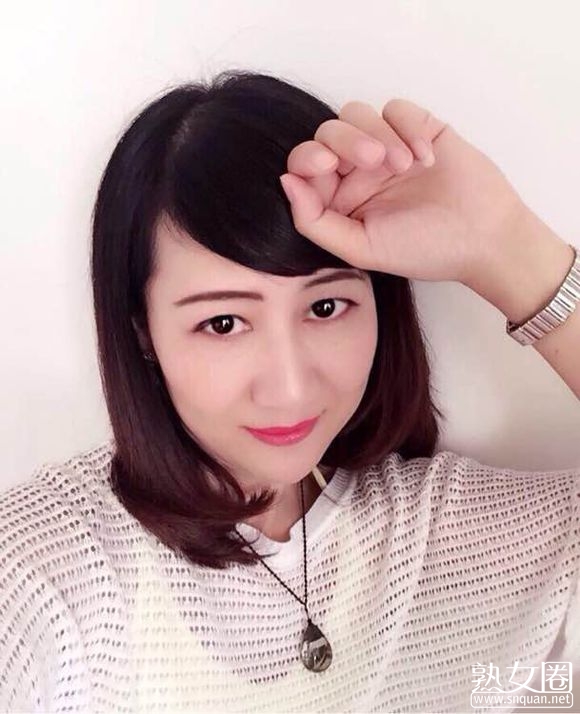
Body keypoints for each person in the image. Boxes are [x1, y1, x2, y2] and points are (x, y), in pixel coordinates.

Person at [0, 68, 578, 713]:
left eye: (326, 307)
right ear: (144, 332)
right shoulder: (47, 569)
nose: (290, 386)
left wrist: (508, 247)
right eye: (223, 323)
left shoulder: (459, 540)